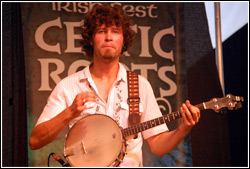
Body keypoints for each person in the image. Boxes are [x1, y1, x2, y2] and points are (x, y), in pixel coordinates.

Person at [29, 4, 200, 167]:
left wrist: (183, 129)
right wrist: (69, 113)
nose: (109, 37)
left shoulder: (140, 86)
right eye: (101, 31)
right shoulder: (68, 86)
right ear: (90, 38)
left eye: (116, 31)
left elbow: (157, 146)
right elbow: (35, 141)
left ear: (123, 39)